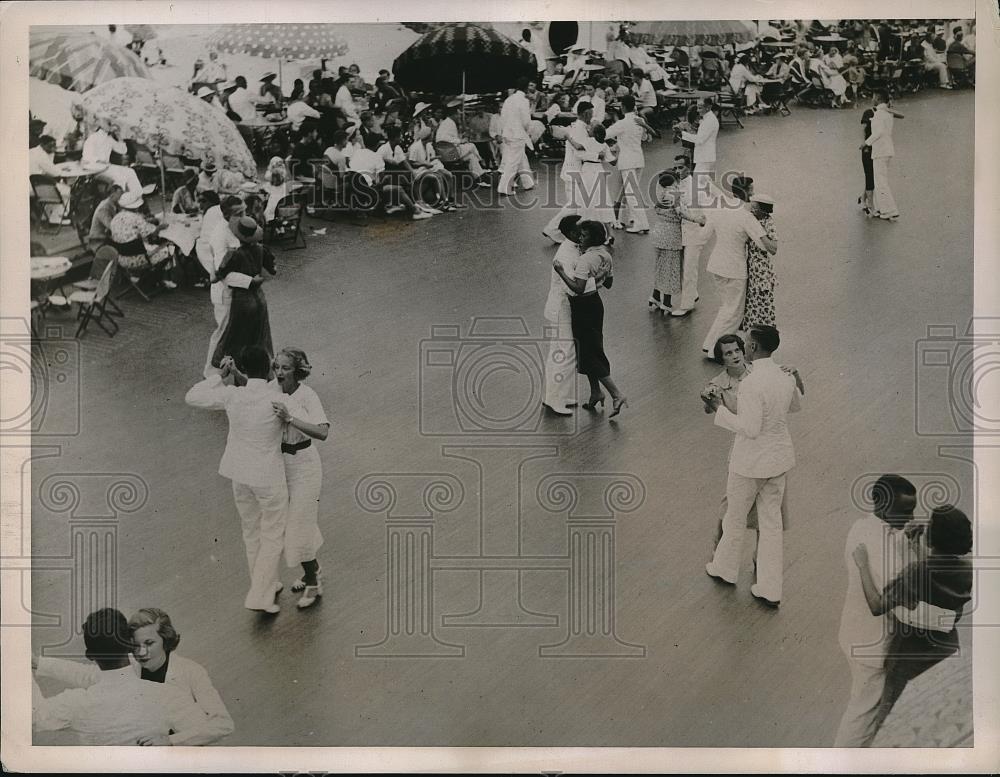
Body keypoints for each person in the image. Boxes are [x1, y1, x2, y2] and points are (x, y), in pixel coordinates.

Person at [185, 344, 299, 613]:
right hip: (268, 476)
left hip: (239, 473)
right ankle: (260, 596)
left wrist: (221, 374)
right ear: (270, 367)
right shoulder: (277, 396)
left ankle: (264, 583)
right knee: (272, 534)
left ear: (242, 368)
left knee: (251, 531)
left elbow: (192, 395)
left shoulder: (232, 395)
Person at [34, 608, 234, 745]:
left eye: (149, 643)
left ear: (166, 640)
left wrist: (171, 742)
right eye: (136, 645)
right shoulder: (135, 665)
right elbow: (89, 675)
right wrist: (40, 663)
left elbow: (222, 725)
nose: (142, 652)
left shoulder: (191, 672)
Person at [704, 325, 802, 605]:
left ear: (754, 347)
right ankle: (770, 588)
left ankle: (725, 569)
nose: (744, 347)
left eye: (746, 343)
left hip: (749, 462)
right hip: (779, 458)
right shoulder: (785, 376)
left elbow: (749, 428)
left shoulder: (751, 383)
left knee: (734, 516)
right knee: (771, 524)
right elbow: (795, 407)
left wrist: (718, 411)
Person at [858, 505, 974, 739]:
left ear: (933, 536)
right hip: (946, 650)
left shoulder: (914, 572)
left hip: (910, 656)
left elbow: (877, 605)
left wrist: (862, 566)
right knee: (937, 720)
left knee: (889, 721)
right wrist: (916, 547)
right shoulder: (967, 570)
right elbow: (935, 575)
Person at [833, 475, 918, 747]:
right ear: (883, 506)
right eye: (905, 511)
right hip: (871, 643)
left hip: (856, 634)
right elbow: (905, 606)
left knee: (864, 705)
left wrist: (905, 539)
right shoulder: (880, 546)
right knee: (864, 713)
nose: (911, 516)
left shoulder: (863, 526)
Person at [552, 220, 628, 418]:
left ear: (591, 238)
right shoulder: (605, 255)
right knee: (590, 350)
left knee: (590, 353)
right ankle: (595, 392)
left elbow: (577, 288)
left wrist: (560, 271)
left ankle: (617, 394)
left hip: (582, 308)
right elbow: (609, 283)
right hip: (595, 305)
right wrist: (599, 277)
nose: (580, 238)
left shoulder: (585, 260)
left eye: (584, 235)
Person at [272, 349, 330, 608]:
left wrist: (290, 418)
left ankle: (313, 582)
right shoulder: (272, 388)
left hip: (305, 465)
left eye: (285, 368)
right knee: (293, 521)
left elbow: (322, 432)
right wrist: (237, 374)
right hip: (281, 464)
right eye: (277, 367)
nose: (279, 372)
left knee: (299, 525)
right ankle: (314, 570)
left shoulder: (308, 396)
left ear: (297, 370)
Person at [700, 190, 777, 356]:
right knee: (733, 312)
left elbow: (704, 235)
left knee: (726, 308)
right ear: (748, 193)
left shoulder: (719, 209)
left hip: (716, 265)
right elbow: (766, 246)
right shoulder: (746, 216)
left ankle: (709, 344)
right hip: (735, 269)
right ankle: (715, 350)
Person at [210, 217, 276, 370]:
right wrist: (256, 279)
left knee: (237, 337)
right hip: (259, 298)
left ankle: (239, 369)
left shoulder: (234, 255)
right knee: (259, 335)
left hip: (242, 300)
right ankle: (260, 368)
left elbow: (217, 276)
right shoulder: (262, 250)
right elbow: (272, 270)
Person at [543, 215, 583, 415]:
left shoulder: (572, 248)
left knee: (557, 352)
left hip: (559, 307)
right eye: (580, 230)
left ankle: (553, 395)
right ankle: (556, 399)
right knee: (567, 352)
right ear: (570, 234)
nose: (584, 232)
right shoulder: (566, 254)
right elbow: (573, 288)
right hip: (562, 308)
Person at [649, 171, 705, 313]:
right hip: (672, 233)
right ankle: (666, 302)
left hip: (659, 231)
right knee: (671, 268)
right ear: (673, 182)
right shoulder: (674, 195)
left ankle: (655, 296)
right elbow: (681, 213)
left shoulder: (659, 194)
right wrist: (697, 220)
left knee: (660, 266)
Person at [542, 100, 593, 242]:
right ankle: (552, 229)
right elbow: (580, 151)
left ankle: (558, 231)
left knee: (576, 205)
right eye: (591, 113)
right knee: (575, 206)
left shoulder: (579, 128)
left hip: (572, 171)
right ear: (586, 113)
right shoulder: (579, 129)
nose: (592, 116)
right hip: (574, 171)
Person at [670, 155, 714, 317]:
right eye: (675, 168)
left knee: (689, 269)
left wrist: (703, 232)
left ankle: (686, 304)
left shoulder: (696, 187)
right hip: (681, 232)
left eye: (680, 167)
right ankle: (692, 293)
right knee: (682, 267)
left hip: (695, 233)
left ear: (689, 168)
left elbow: (709, 212)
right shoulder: (676, 185)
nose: (677, 171)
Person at [110, 190, 177, 289]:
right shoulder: (136, 218)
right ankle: (164, 279)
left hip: (121, 259)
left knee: (140, 245)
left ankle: (137, 276)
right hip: (139, 259)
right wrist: (160, 227)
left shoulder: (115, 219)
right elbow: (152, 234)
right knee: (169, 247)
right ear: (136, 206)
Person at [605, 95, 651, 235]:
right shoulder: (640, 120)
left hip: (627, 161)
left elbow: (605, 134)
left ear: (623, 107)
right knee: (632, 191)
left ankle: (641, 224)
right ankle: (634, 217)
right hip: (638, 159)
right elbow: (644, 137)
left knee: (631, 193)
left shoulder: (622, 123)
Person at [739, 194, 779, 330]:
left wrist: (760, 234)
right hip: (749, 263)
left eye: (754, 207)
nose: (751, 209)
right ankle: (752, 325)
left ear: (760, 209)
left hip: (761, 266)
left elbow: (773, 249)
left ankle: (765, 327)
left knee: (762, 296)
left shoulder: (768, 222)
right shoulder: (751, 219)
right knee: (751, 297)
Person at [863, 91, 900, 222]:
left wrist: (866, 143)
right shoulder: (887, 113)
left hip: (880, 151)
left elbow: (878, 132)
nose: (872, 99)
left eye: (873, 97)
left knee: (881, 182)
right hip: (887, 149)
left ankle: (891, 210)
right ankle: (882, 209)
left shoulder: (879, 114)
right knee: (880, 181)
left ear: (878, 98)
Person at [82, 127, 149, 196]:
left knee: (130, 171)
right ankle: (120, 200)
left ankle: (137, 196)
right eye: (109, 125)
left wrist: (119, 136)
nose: (112, 127)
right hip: (96, 169)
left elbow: (123, 150)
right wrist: (100, 161)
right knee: (121, 177)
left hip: (107, 167)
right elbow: (87, 156)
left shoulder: (109, 139)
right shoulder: (93, 138)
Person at [497, 77, 536, 195]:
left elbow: (503, 117)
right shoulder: (523, 101)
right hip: (517, 134)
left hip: (508, 133)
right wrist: (527, 131)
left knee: (521, 158)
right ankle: (504, 188)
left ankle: (528, 182)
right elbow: (526, 121)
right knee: (513, 161)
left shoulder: (509, 99)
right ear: (525, 88)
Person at [435, 104, 489, 184]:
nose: (458, 117)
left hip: (449, 150)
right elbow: (444, 138)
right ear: (453, 114)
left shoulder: (448, 122)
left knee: (471, 157)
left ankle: (479, 177)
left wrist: (460, 140)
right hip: (449, 153)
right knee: (472, 146)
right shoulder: (449, 123)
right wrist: (460, 141)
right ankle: (481, 161)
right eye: (457, 115)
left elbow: (450, 138)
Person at [29, 135, 72, 225]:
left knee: (54, 186)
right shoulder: (41, 155)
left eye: (54, 145)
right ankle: (56, 219)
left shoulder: (33, 151)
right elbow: (55, 173)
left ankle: (46, 216)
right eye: (50, 145)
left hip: (30, 183)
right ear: (42, 145)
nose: (53, 148)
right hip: (35, 187)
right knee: (66, 190)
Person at [682, 99, 720, 181]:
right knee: (702, 185)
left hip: (705, 157)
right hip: (704, 157)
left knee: (699, 185)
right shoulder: (707, 119)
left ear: (708, 107)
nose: (698, 111)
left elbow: (700, 140)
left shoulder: (709, 121)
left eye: (700, 108)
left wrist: (682, 134)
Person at [86, 184, 124, 250]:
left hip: (107, 237)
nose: (121, 196)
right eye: (120, 194)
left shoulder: (115, 204)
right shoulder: (104, 208)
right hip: (99, 241)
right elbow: (112, 226)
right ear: (112, 194)